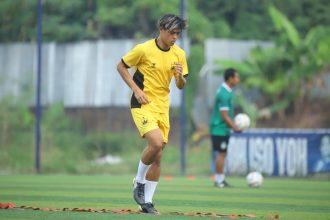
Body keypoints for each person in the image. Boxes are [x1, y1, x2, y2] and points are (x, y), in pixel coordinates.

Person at [116, 14, 188, 214]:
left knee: (158, 157)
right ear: (162, 29)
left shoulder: (179, 54)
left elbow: (181, 86)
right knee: (155, 143)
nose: (175, 37)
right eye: (172, 33)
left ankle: (146, 203)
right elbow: (120, 66)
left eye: (178, 34)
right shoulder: (143, 49)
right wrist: (137, 91)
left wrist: (180, 76)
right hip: (142, 104)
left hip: (162, 107)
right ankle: (138, 182)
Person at [209, 68, 241, 188]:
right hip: (219, 129)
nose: (238, 79)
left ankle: (220, 179)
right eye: (236, 77)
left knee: (222, 153)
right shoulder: (224, 93)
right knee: (221, 154)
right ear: (230, 78)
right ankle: (219, 180)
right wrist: (235, 127)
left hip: (221, 129)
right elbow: (224, 116)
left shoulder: (226, 91)